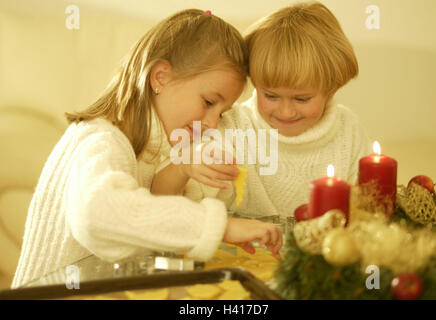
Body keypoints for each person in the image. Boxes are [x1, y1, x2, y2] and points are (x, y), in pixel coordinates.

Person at [12, 9, 283, 289]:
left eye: (222, 112)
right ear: (161, 77)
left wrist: (182, 167)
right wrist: (221, 228)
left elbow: (150, 218)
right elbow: (98, 214)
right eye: (208, 102)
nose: (213, 123)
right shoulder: (100, 138)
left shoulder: (154, 145)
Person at [152, 2, 371, 223]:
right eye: (271, 96)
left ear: (331, 89)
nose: (286, 111)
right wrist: (184, 166)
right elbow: (160, 202)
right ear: (255, 83)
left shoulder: (348, 131)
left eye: (302, 99)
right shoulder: (232, 127)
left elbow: (367, 212)